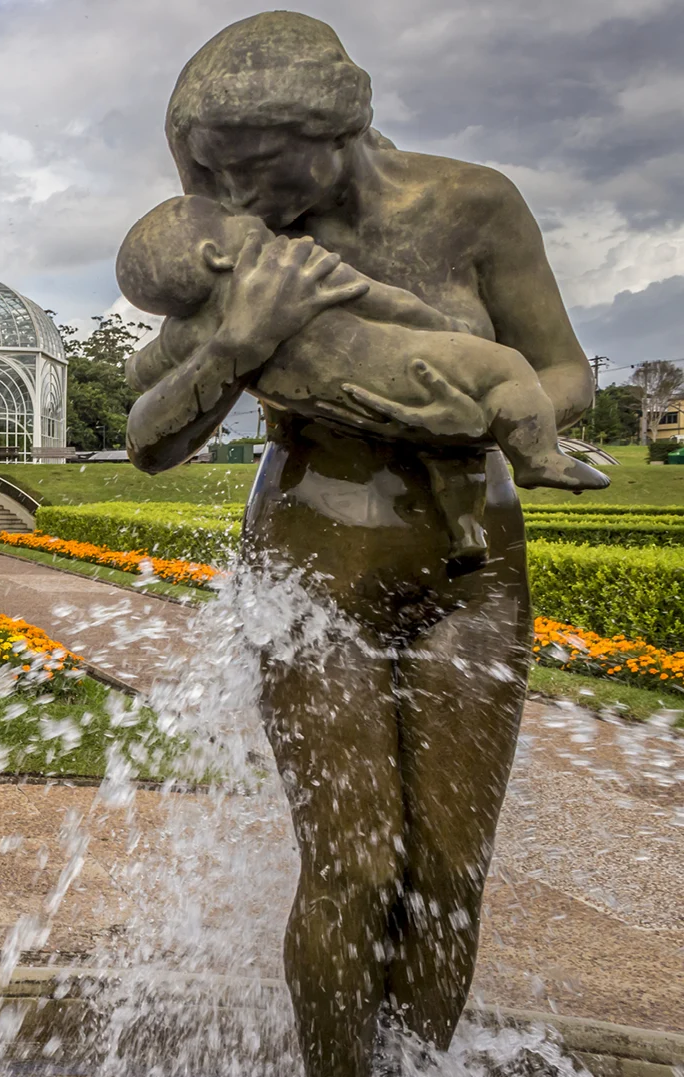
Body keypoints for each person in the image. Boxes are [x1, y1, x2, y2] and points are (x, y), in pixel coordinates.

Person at [123, 14, 597, 1077]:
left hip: (473, 568)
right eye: (214, 174)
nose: (233, 196)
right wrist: (241, 340)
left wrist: (471, 410)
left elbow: (565, 371)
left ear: (335, 129)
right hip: (310, 567)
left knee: (446, 875)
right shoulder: (241, 252)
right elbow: (150, 436)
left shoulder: (474, 205)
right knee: (354, 865)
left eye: (253, 168)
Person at [117, 194, 605, 560]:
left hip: (362, 408)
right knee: (507, 369)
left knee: (449, 446)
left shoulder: (188, 331)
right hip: (391, 389)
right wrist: (239, 343)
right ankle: (530, 464)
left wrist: (472, 429)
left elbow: (146, 367)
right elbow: (387, 301)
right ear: (216, 254)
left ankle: (467, 531)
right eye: (232, 218)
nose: (245, 208)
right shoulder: (299, 264)